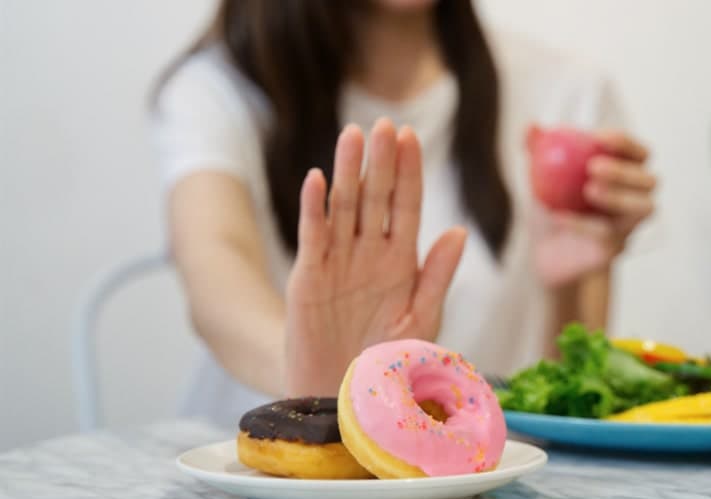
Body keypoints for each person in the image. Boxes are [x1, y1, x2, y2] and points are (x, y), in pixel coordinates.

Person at [151, 0, 657, 427]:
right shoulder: (217, 90)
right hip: (251, 478)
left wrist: (565, 287)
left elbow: (565, 404)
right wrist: (314, 371)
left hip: (462, 489)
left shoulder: (568, 94)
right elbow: (216, 270)